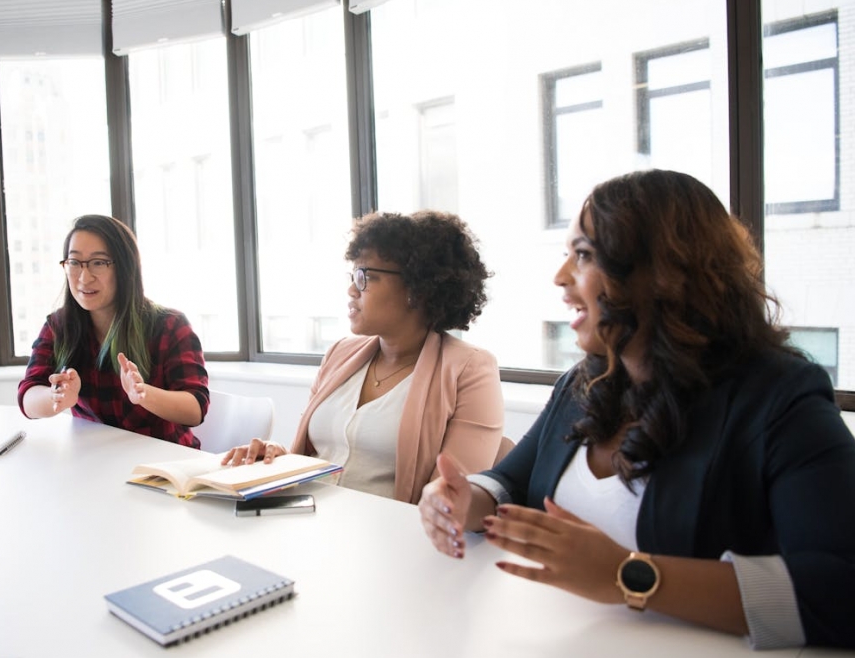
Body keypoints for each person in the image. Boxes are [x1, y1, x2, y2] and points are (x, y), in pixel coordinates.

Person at [418, 170, 855, 649]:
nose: (561, 277)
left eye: (583, 255)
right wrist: (463, 501)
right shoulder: (585, 381)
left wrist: (627, 575)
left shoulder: (780, 397)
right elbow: (514, 484)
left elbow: (837, 588)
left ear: (663, 272)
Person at [223, 210, 504, 504]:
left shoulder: (470, 369)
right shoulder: (339, 354)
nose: (351, 290)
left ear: (417, 289)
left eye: (364, 276)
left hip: (390, 540)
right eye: (352, 275)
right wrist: (277, 458)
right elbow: (316, 457)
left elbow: (451, 501)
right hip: (305, 522)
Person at [18, 214, 209, 447]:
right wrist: (55, 397)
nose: (84, 277)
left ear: (125, 268)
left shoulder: (169, 325)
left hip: (163, 466)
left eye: (99, 263)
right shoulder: (59, 327)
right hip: (96, 462)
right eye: (75, 262)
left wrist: (144, 394)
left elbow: (195, 409)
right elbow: (28, 397)